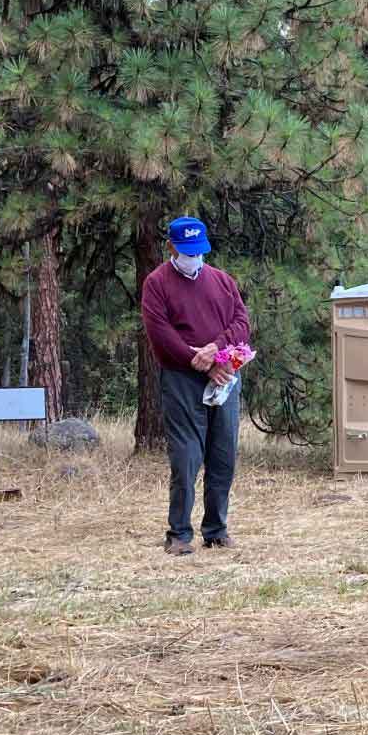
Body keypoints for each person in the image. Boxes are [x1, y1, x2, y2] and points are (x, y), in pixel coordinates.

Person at [141, 216, 250, 555]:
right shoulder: (156, 283)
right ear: (171, 247)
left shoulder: (222, 281)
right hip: (181, 378)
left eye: (199, 251)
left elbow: (241, 322)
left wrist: (217, 351)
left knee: (223, 454)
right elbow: (160, 332)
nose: (194, 257)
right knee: (186, 457)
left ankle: (216, 530)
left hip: (225, 377)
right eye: (187, 251)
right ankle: (179, 534)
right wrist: (199, 364)